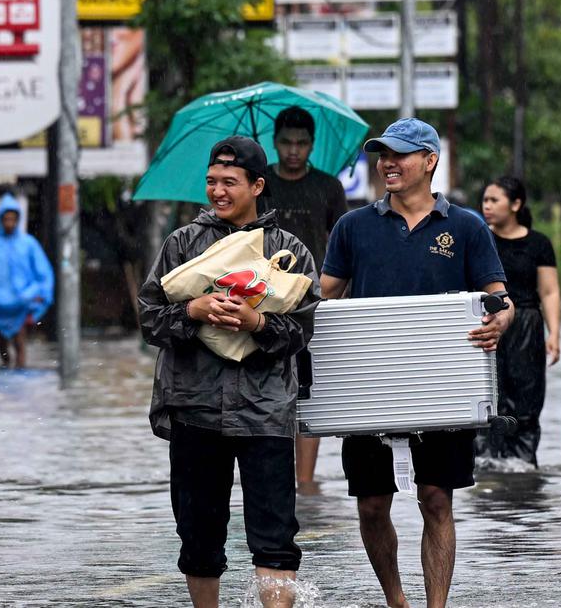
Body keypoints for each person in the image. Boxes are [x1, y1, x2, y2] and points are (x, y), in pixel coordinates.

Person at [320, 118, 512, 608]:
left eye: (400, 154)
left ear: (430, 160)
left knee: (436, 499)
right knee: (370, 506)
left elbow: (500, 299)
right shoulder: (352, 227)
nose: (388, 162)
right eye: (382, 153)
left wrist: (501, 321)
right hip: (369, 390)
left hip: (442, 388)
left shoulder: (466, 227)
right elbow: (321, 300)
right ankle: (396, 601)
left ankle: (436, 606)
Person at [138, 136, 321, 608]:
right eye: (211, 181)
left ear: (258, 185)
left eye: (229, 182)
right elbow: (148, 318)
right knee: (199, 537)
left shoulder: (290, 251)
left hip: (266, 412)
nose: (217, 191)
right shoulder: (181, 244)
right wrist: (194, 309)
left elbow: (302, 330)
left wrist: (256, 321)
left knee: (275, 534)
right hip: (194, 407)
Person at [262, 105, 348, 492]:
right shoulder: (259, 184)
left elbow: (343, 245)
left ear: (312, 144)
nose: (294, 150)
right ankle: (273, 477)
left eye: (301, 143)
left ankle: (306, 484)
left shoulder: (328, 187)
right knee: (267, 389)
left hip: (314, 301)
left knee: (308, 391)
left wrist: (338, 298)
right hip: (262, 299)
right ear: (275, 143)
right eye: (286, 142)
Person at [477, 176, 560, 466]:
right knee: (488, 396)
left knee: (526, 396)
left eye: (494, 200)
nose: (486, 206)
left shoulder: (538, 243)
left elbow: (549, 292)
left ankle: (523, 464)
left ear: (515, 204)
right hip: (488, 323)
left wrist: (554, 333)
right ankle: (485, 465)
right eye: (485, 200)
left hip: (527, 325)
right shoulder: (479, 239)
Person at [0, 194, 54, 369]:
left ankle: (20, 377)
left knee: (20, 340)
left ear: (18, 220)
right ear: (0, 220)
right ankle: (4, 373)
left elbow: (43, 272)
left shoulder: (28, 244)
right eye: (6, 219)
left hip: (21, 303)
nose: (9, 223)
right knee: (1, 343)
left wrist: (41, 293)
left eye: (13, 219)